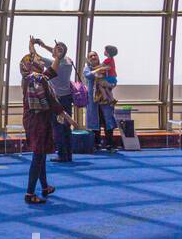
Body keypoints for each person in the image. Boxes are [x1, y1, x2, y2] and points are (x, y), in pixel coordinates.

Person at [20, 51, 76, 205]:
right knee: (38, 156)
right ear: (32, 65)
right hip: (39, 121)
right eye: (37, 60)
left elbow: (51, 72)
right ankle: (30, 193)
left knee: (41, 154)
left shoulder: (28, 78)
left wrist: (57, 57)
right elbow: (52, 101)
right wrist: (68, 118)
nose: (41, 61)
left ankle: (45, 187)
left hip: (31, 120)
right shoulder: (38, 80)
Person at [30, 37, 74, 162]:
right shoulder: (69, 61)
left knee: (57, 127)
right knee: (66, 127)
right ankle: (68, 154)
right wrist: (44, 45)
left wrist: (32, 44)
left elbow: (35, 57)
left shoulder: (53, 63)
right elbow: (58, 54)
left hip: (57, 99)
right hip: (67, 97)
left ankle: (61, 154)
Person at [85, 50, 118, 150]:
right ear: (88, 59)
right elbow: (88, 75)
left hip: (105, 100)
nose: (93, 57)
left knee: (108, 121)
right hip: (94, 101)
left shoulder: (105, 67)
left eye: (95, 55)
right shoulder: (88, 68)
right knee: (95, 123)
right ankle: (97, 144)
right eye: (91, 56)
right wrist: (97, 70)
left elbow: (113, 78)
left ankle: (110, 144)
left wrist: (111, 85)